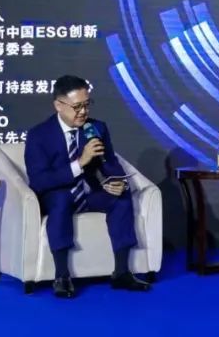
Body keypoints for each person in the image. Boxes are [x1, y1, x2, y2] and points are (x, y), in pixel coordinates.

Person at [24, 75, 150, 298]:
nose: (83, 112)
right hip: (56, 196)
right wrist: (80, 162)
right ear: (59, 105)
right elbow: (39, 181)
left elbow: (110, 163)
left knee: (122, 197)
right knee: (61, 199)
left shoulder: (96, 128)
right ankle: (62, 276)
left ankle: (122, 272)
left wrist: (117, 181)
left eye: (87, 104)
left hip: (89, 193)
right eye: (77, 107)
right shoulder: (39, 135)